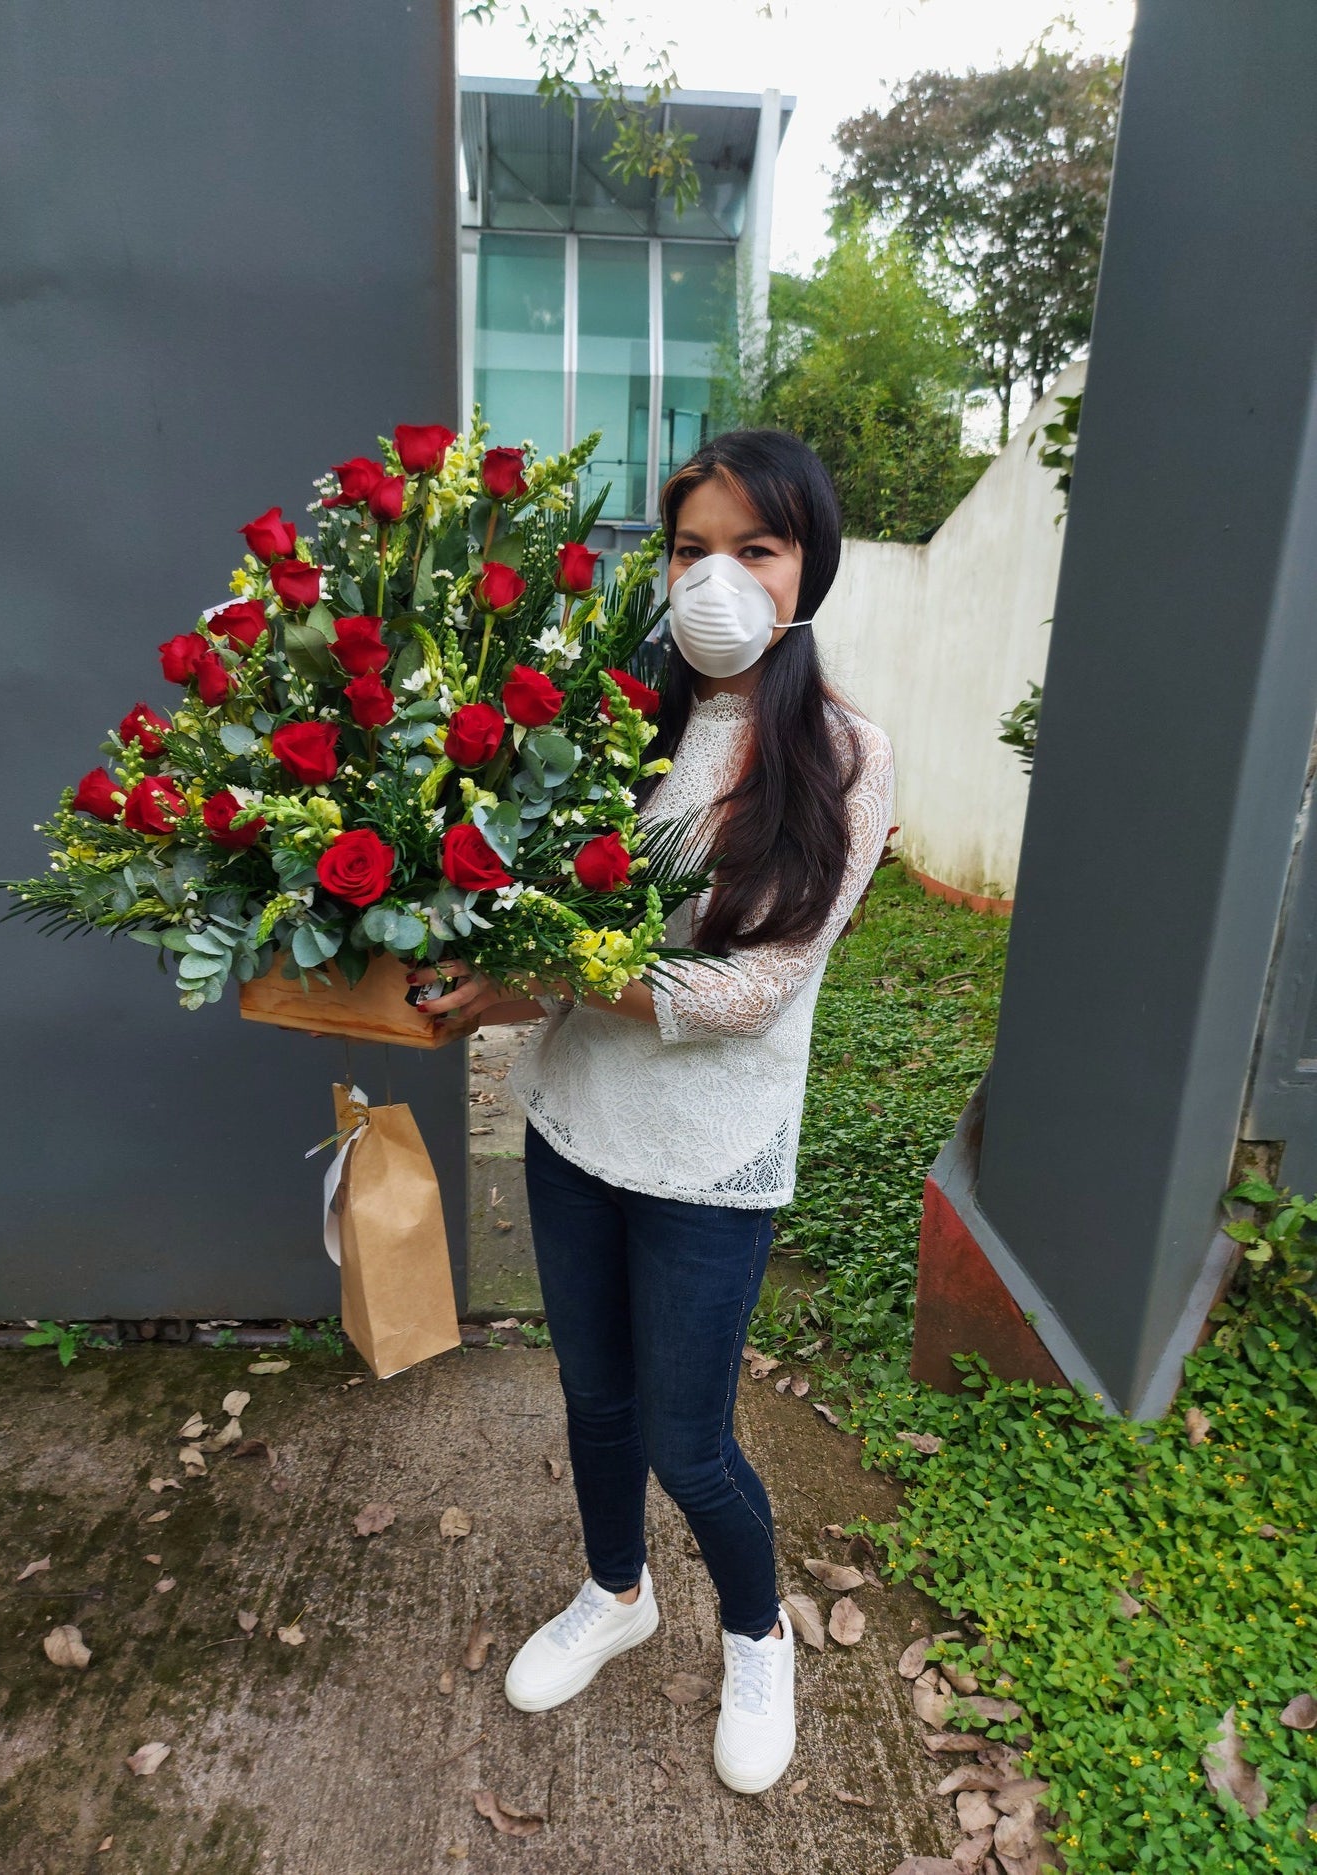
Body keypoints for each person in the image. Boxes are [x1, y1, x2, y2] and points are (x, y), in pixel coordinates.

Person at [410, 428, 895, 1795]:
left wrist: (539, 967)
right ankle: (616, 1592)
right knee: (595, 1401)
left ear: (810, 566)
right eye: (689, 550)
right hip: (573, 1128)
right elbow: (554, 954)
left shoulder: (845, 759)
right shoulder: (610, 734)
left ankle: (754, 1636)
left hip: (709, 1157)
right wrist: (481, 992)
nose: (714, 581)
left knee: (691, 1437)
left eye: (754, 549)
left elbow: (748, 994)